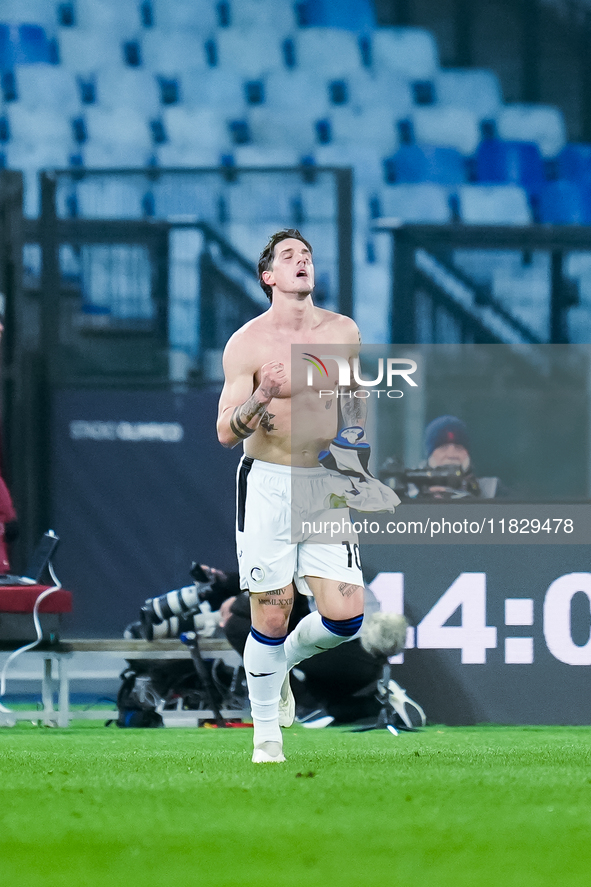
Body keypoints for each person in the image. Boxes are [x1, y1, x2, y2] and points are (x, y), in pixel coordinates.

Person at [216, 229, 377, 763]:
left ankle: (278, 663)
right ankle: (267, 738)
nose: (302, 260)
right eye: (289, 256)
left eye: (306, 254)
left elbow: (353, 404)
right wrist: (263, 394)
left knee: (346, 615)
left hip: (324, 480)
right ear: (269, 277)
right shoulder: (248, 343)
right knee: (271, 611)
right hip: (266, 480)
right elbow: (225, 431)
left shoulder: (342, 331)